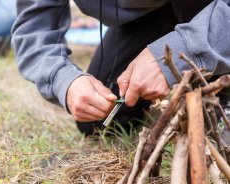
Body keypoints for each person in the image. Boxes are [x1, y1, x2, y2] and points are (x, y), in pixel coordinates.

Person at [12, 0, 230, 136]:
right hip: (153, 15)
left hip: (217, 10)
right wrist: (64, 80)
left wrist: (184, 49)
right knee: (99, 124)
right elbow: (34, 27)